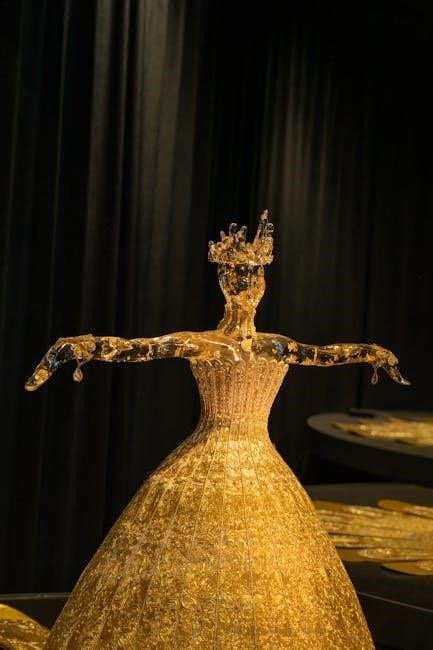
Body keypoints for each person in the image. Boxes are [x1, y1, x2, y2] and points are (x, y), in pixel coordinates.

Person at [26, 211, 408, 649]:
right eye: (238, 276)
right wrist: (85, 346)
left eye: (254, 277)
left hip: (262, 464)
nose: (247, 286)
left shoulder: (276, 345)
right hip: (203, 458)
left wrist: (372, 353)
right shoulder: (203, 342)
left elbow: (327, 354)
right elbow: (139, 348)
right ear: (224, 282)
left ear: (262, 284)